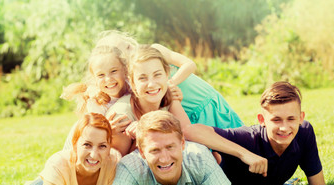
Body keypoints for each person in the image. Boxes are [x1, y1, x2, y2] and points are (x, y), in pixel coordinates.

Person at [106, 45, 266, 170]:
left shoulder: (168, 97)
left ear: (167, 74)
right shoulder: (122, 114)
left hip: (160, 167)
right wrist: (142, 133)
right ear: (132, 83)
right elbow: (119, 164)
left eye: (157, 75)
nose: (152, 84)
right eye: (142, 78)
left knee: (206, 154)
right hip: (136, 174)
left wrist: (243, 154)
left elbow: (188, 131)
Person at [186, 82, 331, 185]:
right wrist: (244, 154)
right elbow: (190, 131)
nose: (285, 127)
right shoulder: (248, 138)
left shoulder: (304, 133)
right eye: (276, 120)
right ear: (262, 120)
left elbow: (318, 184)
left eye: (291, 119)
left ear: (301, 118)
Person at [96, 30, 244, 129]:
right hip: (186, 114)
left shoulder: (155, 51)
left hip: (204, 103)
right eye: (125, 52)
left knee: (232, 135)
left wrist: (169, 84)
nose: (132, 51)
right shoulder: (137, 76)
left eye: (128, 46)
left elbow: (189, 64)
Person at [105, 110, 237, 185]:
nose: (164, 159)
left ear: (183, 143)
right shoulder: (129, 166)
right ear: (142, 152)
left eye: (170, 147)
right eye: (154, 150)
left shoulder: (199, 156)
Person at [4, 113, 120, 185]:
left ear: (110, 147)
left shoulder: (114, 163)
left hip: (57, 183)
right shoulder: (58, 163)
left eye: (102, 146)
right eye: (87, 145)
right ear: (74, 144)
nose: (94, 155)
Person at [61, 45, 183, 150]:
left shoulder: (133, 87)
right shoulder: (97, 103)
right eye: (101, 75)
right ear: (95, 79)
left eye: (113, 71)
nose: (108, 79)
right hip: (80, 143)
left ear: (125, 71)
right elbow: (92, 137)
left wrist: (172, 92)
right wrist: (108, 130)